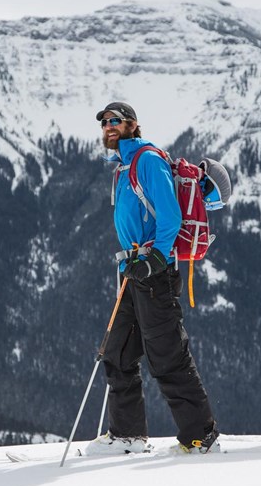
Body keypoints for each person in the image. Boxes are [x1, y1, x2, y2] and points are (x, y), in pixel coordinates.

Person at [86, 101, 219, 454]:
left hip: (154, 272)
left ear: (133, 125)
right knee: (118, 354)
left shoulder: (147, 160)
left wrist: (156, 259)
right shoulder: (123, 165)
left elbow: (170, 217)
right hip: (131, 270)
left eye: (116, 121)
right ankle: (127, 436)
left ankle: (200, 436)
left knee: (168, 356)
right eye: (105, 123)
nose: (109, 126)